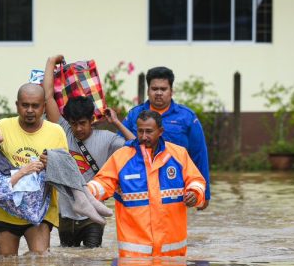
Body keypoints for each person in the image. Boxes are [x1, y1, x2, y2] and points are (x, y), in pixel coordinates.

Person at [43, 54, 135, 247]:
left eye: (83, 123)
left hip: (93, 215)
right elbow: (48, 96)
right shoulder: (63, 130)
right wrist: (51, 62)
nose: (78, 129)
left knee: (93, 259)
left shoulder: (108, 139)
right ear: (68, 122)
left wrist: (117, 122)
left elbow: (137, 146)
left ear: (92, 120)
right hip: (65, 214)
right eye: (74, 124)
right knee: (69, 265)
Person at [86, 110, 206, 257]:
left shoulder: (178, 155)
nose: (143, 136)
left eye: (149, 131)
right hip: (133, 258)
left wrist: (195, 193)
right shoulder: (121, 157)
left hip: (173, 257)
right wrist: (85, 192)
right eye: (140, 131)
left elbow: (197, 181)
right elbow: (102, 183)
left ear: (160, 131)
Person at [0, 83, 69, 256]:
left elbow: (66, 171)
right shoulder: (2, 127)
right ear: (17, 105)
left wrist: (52, 164)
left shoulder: (56, 132)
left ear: (44, 107)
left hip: (40, 212)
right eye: (25, 105)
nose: (30, 110)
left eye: (35, 105)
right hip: (5, 211)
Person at [120, 66, 211, 210]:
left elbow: (199, 154)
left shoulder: (186, 117)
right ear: (148, 90)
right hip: (139, 186)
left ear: (171, 91)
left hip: (175, 185)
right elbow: (118, 149)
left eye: (163, 89)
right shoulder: (134, 115)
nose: (158, 93)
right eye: (154, 89)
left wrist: (204, 194)